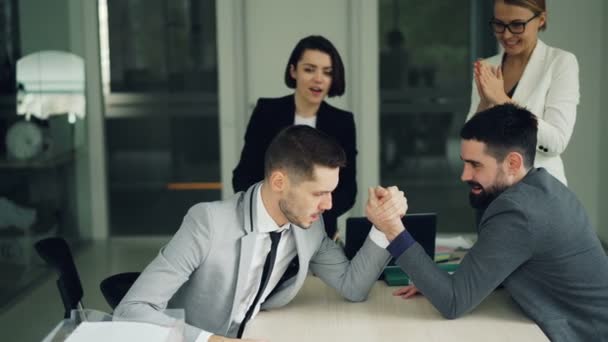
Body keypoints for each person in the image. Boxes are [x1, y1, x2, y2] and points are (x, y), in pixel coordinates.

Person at [115, 125, 403, 342]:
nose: (328, 205)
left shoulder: (309, 225)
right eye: (319, 193)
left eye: (331, 192)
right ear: (279, 181)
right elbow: (131, 310)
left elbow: (352, 286)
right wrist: (214, 341)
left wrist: (383, 226)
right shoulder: (208, 223)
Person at [374, 104, 608, 341]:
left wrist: (393, 229)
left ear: (513, 163)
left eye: (475, 164)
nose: (464, 175)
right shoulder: (543, 187)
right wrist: (434, 281)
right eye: (464, 162)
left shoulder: (518, 212)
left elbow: (453, 301)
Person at [232, 35, 357, 239]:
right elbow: (244, 175)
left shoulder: (342, 122)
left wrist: (315, 213)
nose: (318, 78)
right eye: (309, 69)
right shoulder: (267, 111)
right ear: (293, 71)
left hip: (319, 227)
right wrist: (273, 212)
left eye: (327, 72)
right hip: (267, 226)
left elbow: (347, 189)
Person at [467, 0, 579, 185]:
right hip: (491, 192)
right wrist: (485, 102)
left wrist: (502, 100)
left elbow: (556, 142)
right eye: (499, 24)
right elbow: (471, 141)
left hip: (540, 193)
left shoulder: (560, 63)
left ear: (541, 19)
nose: (507, 34)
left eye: (517, 25)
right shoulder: (488, 67)